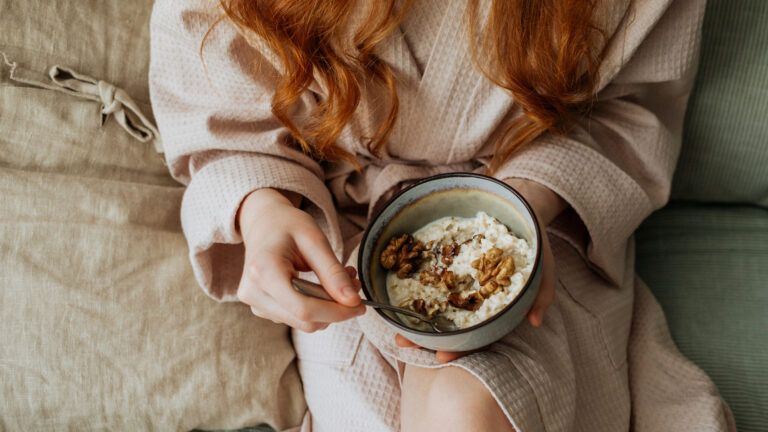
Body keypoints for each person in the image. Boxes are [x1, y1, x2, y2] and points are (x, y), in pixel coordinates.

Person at [149, 0, 735, 430]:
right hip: (347, 244)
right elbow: (217, 107)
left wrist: (517, 208)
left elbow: (629, 112)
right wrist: (260, 207)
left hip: (542, 213)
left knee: (473, 408)